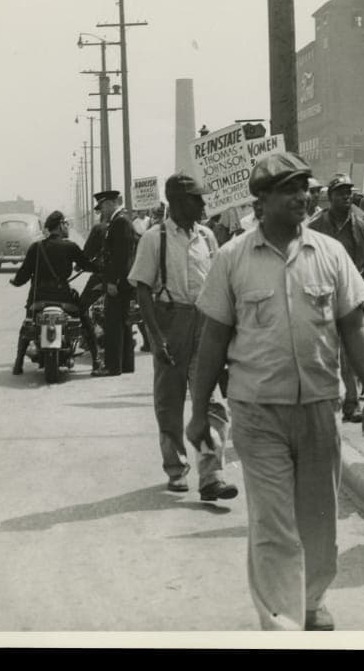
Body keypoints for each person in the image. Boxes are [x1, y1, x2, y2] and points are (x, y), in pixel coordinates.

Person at [189, 151, 364, 631]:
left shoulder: (330, 253)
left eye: (305, 188)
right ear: (262, 201)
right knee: (275, 526)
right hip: (258, 412)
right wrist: (199, 413)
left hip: (320, 407)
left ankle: (313, 600)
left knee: (319, 520)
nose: (303, 197)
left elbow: (355, 327)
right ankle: (283, 625)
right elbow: (212, 339)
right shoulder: (232, 257)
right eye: (290, 189)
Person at [127, 172, 238, 502]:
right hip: (171, 321)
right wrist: (156, 336)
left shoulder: (207, 237)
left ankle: (211, 475)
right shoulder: (154, 238)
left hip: (206, 323)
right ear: (177, 202)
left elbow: (220, 285)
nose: (203, 204)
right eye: (196, 199)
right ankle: (176, 468)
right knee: (170, 402)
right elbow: (143, 291)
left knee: (213, 403)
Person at [308, 173, 364, 423]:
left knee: (351, 349)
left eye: (348, 192)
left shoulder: (361, 225)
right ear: (330, 197)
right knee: (324, 348)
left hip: (350, 293)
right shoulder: (316, 226)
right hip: (322, 293)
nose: (345, 197)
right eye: (340, 193)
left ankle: (351, 402)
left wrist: (357, 282)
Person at [9, 211, 97, 375]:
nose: (67, 227)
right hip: (64, 297)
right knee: (85, 320)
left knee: (27, 324)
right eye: (66, 224)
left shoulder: (36, 247)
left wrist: (15, 282)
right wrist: (100, 267)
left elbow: (23, 275)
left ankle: (18, 363)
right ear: (60, 225)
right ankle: (97, 362)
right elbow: (87, 265)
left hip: (39, 297)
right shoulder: (70, 246)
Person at [92, 190, 137, 377]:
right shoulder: (119, 221)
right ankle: (125, 364)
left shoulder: (120, 222)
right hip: (123, 282)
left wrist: (113, 282)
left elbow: (121, 256)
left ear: (110, 203)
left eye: (102, 207)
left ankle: (112, 366)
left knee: (113, 325)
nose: (102, 211)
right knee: (123, 323)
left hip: (118, 283)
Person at [77, 214, 108, 372]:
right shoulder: (128, 225)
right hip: (126, 278)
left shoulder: (99, 228)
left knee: (81, 307)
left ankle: (93, 349)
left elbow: (87, 253)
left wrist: (81, 265)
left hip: (102, 276)